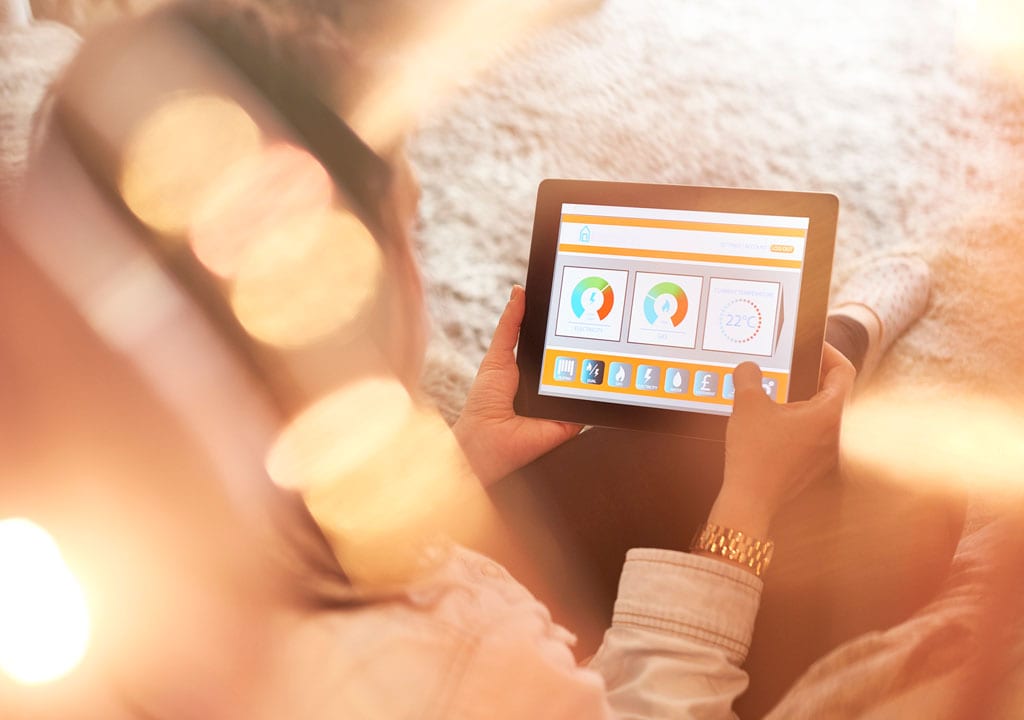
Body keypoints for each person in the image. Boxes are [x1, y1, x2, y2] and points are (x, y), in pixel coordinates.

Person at [0, 1, 941, 717]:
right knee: (919, 520)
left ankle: (827, 342)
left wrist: (465, 459)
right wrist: (745, 511)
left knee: (629, 437)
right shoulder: (464, 655)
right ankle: (834, 344)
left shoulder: (54, 540)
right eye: (406, 229)